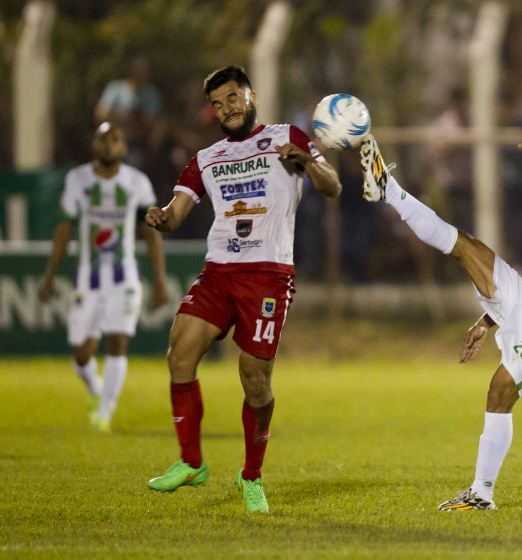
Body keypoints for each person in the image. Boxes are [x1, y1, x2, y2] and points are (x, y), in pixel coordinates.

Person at [360, 134, 522, 510]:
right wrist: (486, 322)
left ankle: (481, 494)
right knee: (467, 247)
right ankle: (389, 190)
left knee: (500, 388)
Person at [144, 66, 341, 514]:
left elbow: (333, 187)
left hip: (268, 274)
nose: (227, 108)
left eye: (233, 98)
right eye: (217, 103)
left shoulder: (285, 135)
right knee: (179, 353)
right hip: (219, 272)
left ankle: (251, 475)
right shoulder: (207, 157)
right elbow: (176, 213)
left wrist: (307, 162)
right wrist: (161, 216)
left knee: (255, 379)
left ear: (251, 96)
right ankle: (191, 462)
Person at [39, 122, 168, 433]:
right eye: (102, 138)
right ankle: (97, 391)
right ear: (93, 144)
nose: (109, 144)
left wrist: (160, 280)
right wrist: (50, 275)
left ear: (123, 147)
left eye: (115, 139)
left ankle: (105, 412)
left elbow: (149, 234)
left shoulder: (137, 183)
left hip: (124, 278)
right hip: (88, 278)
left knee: (117, 341)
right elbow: (64, 229)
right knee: (81, 352)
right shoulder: (77, 179)